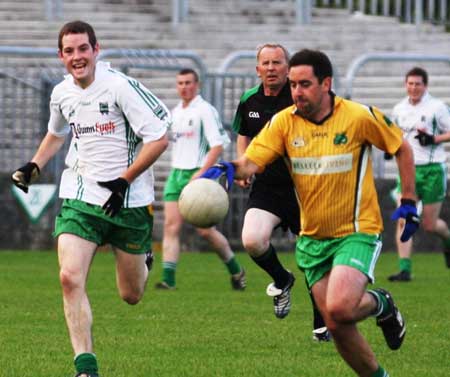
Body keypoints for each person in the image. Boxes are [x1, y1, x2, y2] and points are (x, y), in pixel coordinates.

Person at [202, 49, 419, 377]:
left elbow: (401, 146)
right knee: (336, 321)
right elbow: (252, 160)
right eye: (293, 85)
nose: (297, 92)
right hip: (313, 236)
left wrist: (408, 199)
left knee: (339, 307)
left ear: (326, 83)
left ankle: (379, 304)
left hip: (357, 230)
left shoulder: (358, 116)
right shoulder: (284, 123)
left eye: (305, 84)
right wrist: (229, 168)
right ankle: (381, 312)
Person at [11, 20, 170, 377]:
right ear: (61, 56)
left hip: (127, 203)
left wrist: (124, 180)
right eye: (69, 51)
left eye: (83, 49)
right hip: (80, 197)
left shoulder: (120, 88)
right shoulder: (62, 93)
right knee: (69, 277)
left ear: (96, 50)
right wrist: (35, 164)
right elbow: (56, 133)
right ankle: (86, 367)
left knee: (131, 295)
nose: (77, 57)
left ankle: (143, 258)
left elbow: (159, 137)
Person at [231, 43, 330, 341]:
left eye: (277, 62)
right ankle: (282, 279)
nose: (271, 68)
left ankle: (321, 326)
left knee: (312, 258)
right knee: (252, 239)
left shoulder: (301, 97)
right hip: (268, 188)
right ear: (257, 69)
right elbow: (243, 135)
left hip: (306, 188)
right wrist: (245, 165)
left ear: (288, 68)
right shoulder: (249, 99)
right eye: (266, 63)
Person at [155, 68, 246, 291]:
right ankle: (168, 279)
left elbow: (218, 144)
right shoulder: (175, 112)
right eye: (180, 83)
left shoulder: (205, 110)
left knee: (205, 230)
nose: (184, 87)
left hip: (199, 173)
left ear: (197, 85)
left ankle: (236, 269)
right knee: (170, 226)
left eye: (188, 82)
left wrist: (202, 171)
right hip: (177, 173)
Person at [388, 67, 450, 282]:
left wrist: (433, 139)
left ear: (426, 86)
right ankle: (405, 269)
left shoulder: (437, 107)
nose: (414, 88)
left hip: (433, 169)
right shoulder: (399, 109)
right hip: (408, 170)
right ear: (405, 85)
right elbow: (394, 135)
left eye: (418, 84)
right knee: (404, 219)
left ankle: (447, 240)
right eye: (410, 84)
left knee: (430, 225)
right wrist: (391, 149)